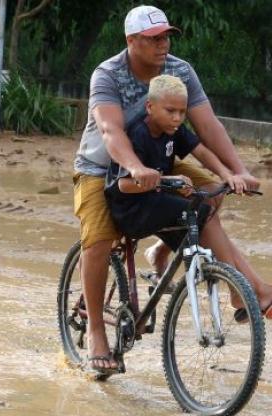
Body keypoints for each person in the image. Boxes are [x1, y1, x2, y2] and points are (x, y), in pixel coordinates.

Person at [73, 5, 263, 373]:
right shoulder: (108, 74)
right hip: (105, 165)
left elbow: (207, 128)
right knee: (97, 238)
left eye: (166, 37)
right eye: (154, 38)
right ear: (132, 41)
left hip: (160, 158)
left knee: (212, 190)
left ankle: (164, 250)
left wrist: (238, 171)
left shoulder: (180, 70)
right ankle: (97, 331)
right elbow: (111, 131)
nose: (163, 45)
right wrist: (134, 167)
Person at [104, 75, 272, 331]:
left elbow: (201, 151)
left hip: (156, 202)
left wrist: (229, 176)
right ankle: (238, 287)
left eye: (182, 112)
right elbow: (123, 184)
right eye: (171, 111)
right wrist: (162, 179)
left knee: (206, 203)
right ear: (150, 107)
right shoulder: (138, 134)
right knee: (200, 212)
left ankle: (234, 283)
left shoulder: (174, 130)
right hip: (132, 210)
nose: (177, 118)